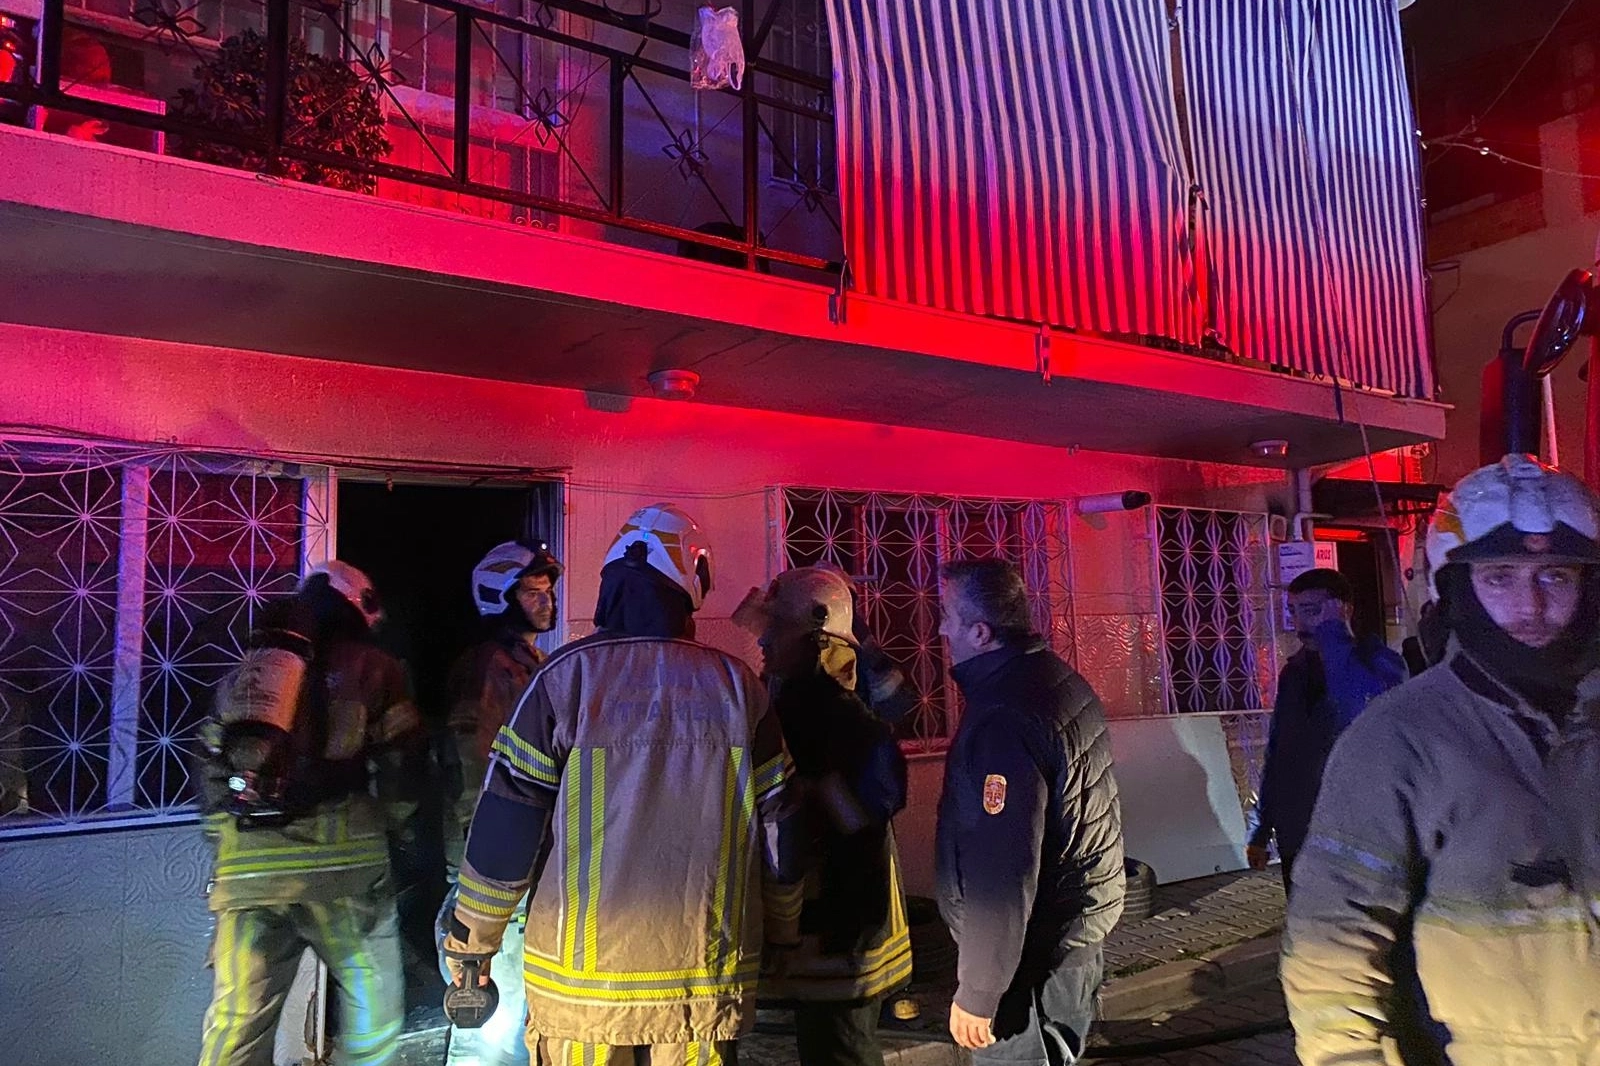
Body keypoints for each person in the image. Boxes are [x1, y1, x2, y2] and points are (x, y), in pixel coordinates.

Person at [440, 503, 804, 1066]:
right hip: (700, 988)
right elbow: (782, 827)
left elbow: (507, 821)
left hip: (581, 994)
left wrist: (472, 942)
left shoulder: (562, 678)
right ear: (691, 578)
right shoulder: (738, 687)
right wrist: (784, 928)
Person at [1282, 454, 1600, 1065]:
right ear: (1457, 588)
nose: (1531, 605)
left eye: (1555, 577)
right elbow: (1334, 938)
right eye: (1500, 578)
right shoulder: (1400, 736)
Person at [197, 561, 426, 1066]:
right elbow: (402, 768)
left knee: (238, 1023)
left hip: (247, 880)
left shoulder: (249, 675)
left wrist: (231, 852)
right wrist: (398, 833)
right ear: (358, 604)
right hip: (345, 877)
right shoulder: (375, 669)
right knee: (374, 1018)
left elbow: (210, 776)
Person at [934, 559, 1124, 1066]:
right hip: (1065, 940)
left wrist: (980, 989)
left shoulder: (1004, 713)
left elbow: (1003, 864)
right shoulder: (1055, 679)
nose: (941, 630)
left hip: (1030, 958)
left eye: (947, 616)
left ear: (980, 632)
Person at [737, 566, 912, 1066]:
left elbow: (868, 810)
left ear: (816, 638)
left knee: (841, 1050)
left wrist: (816, 791)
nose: (763, 641)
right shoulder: (798, 701)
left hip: (840, 928)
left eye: (777, 629)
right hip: (830, 928)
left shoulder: (831, 713)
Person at [439, 539, 563, 1066]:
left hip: (521, 866)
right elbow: (476, 772)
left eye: (548, 590)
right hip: (494, 871)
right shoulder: (491, 668)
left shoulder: (530, 664)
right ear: (500, 597)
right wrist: (483, 865)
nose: (546, 600)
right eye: (532, 591)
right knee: (493, 1021)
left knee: (518, 1014)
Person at [1246, 568, 1408, 893]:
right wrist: (1262, 828)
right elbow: (1280, 752)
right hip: (1299, 831)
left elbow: (1356, 706)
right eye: (1294, 611)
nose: (1301, 623)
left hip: (1360, 835)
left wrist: (1333, 633)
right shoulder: (1295, 672)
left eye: (1311, 610)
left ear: (1343, 609)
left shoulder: (1380, 664)